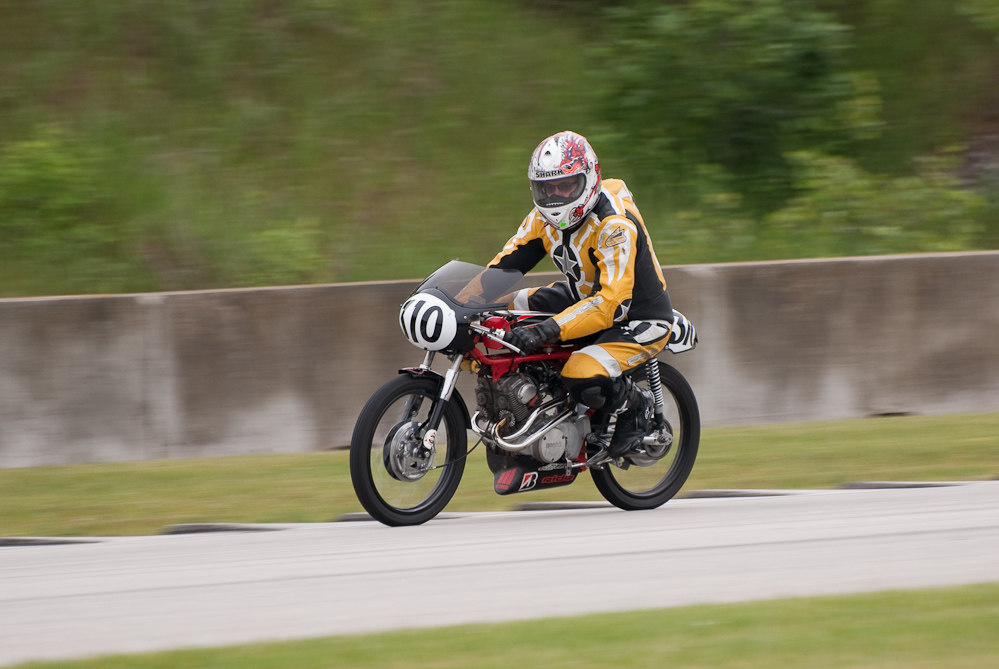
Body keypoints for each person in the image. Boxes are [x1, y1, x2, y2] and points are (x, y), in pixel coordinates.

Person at [489, 130, 675, 459]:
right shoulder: (541, 219)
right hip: (583, 297)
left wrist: (548, 329)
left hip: (636, 315)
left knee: (581, 373)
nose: (556, 196)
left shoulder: (613, 224)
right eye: (547, 188)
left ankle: (636, 407)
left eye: (566, 186)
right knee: (500, 312)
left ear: (589, 180)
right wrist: (461, 300)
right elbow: (502, 269)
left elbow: (610, 304)